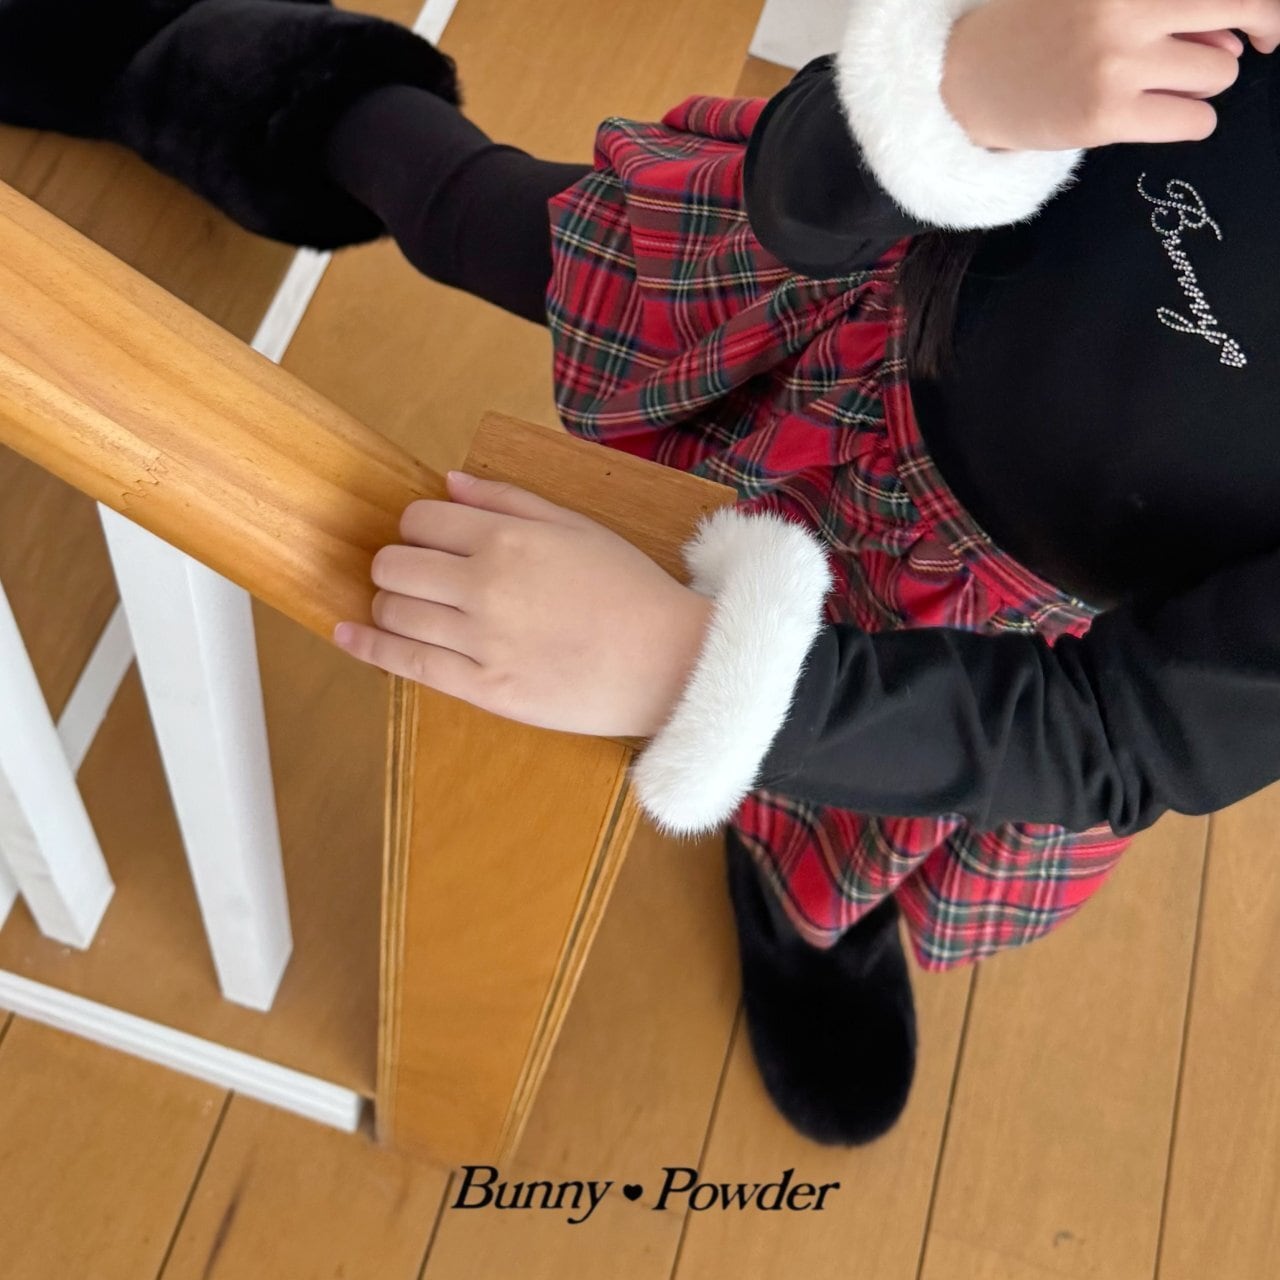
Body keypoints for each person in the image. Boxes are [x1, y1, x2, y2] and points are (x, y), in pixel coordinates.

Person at [4, 0, 1279, 1148]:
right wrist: (955, 84)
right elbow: (827, 153)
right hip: (831, 282)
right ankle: (204, 67)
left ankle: (800, 908)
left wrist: (682, 667)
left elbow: (1123, 732)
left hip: (990, 625)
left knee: (856, 788)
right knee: (466, 217)